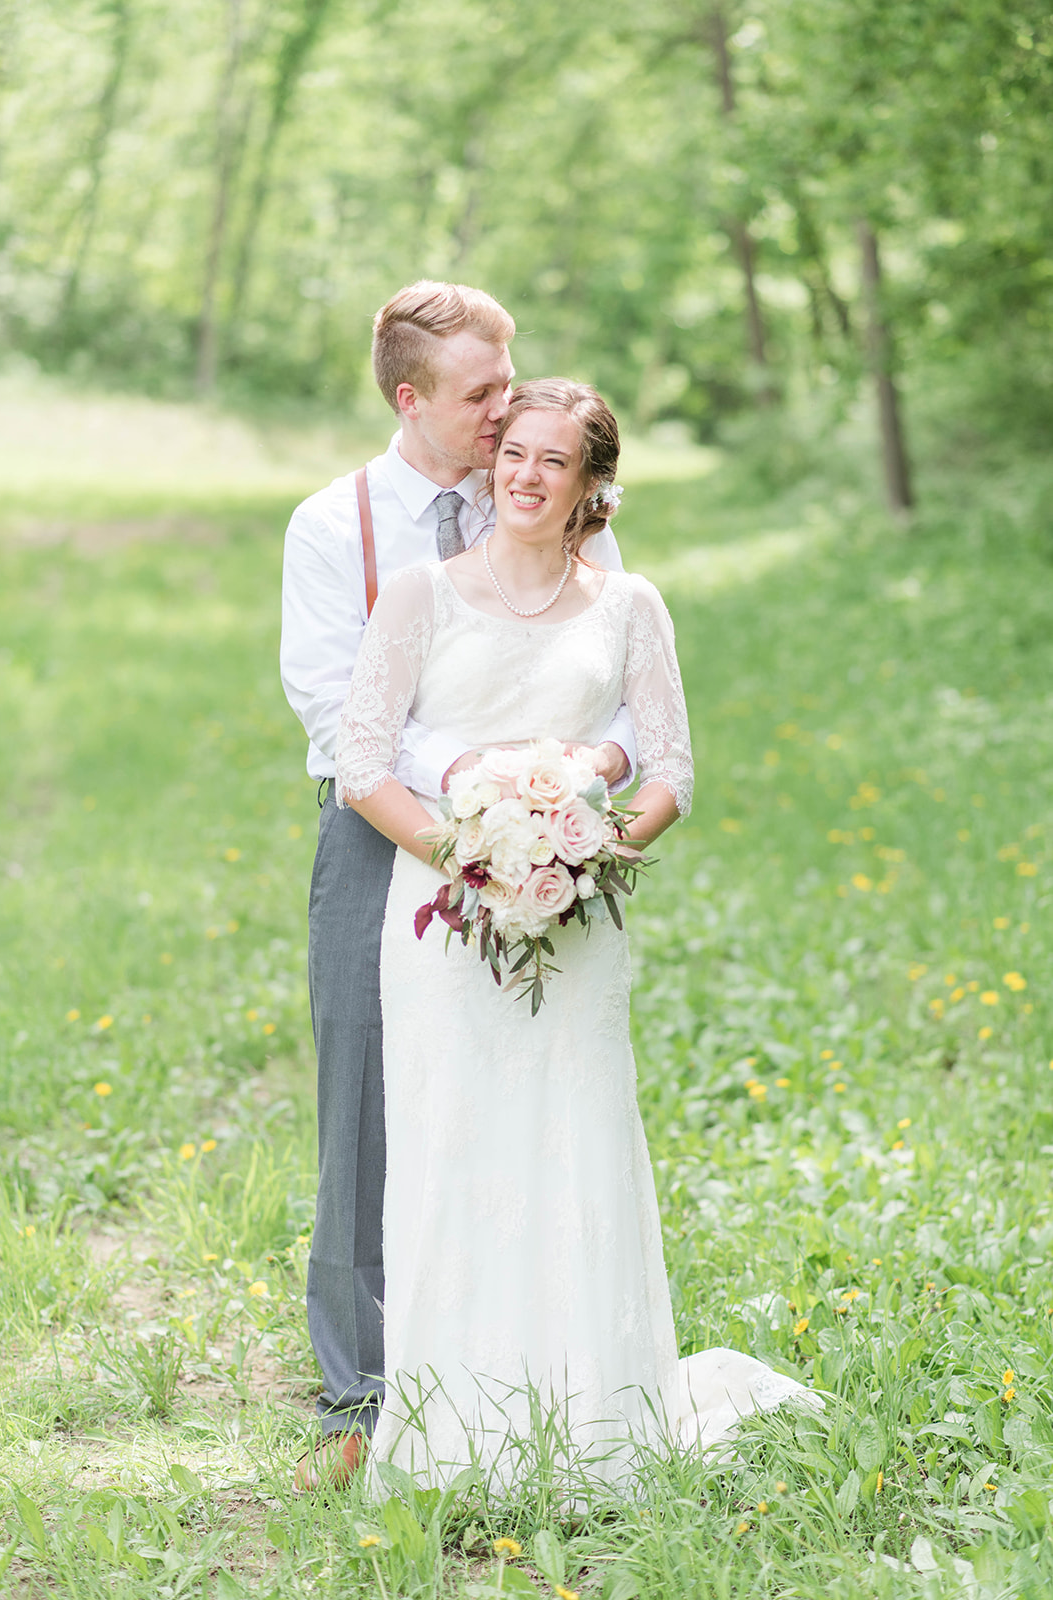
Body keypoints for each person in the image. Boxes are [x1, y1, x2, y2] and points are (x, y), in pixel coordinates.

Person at [335, 380, 818, 1489]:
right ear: (488, 462)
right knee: (455, 1147)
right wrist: (472, 857)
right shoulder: (418, 595)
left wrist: (581, 856)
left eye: (555, 461)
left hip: (578, 927)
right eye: (512, 451)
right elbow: (363, 763)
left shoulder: (630, 606)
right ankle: (454, 1429)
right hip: (445, 925)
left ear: (593, 487)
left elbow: (673, 775)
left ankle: (594, 1421)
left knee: (577, 1141)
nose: (525, 475)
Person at [280, 285, 636, 1490]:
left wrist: (553, 799)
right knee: (368, 1099)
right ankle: (360, 1388)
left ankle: (515, 1356)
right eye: (483, 392)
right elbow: (337, 717)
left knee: (516, 1090)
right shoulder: (337, 525)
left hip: (542, 841)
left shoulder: (553, 495)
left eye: (510, 380)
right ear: (410, 398)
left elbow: (616, 675)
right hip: (378, 832)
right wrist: (476, 791)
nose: (506, 409)